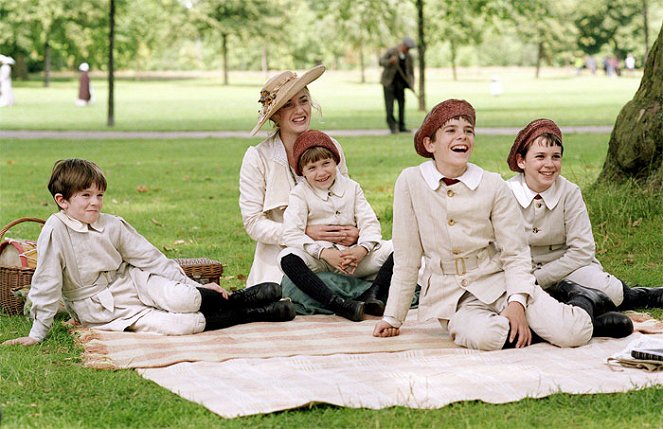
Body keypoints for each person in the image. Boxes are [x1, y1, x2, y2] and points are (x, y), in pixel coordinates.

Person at [373, 99, 624, 351]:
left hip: (499, 282)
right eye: (451, 130)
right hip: (453, 296)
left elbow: (515, 253)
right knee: (488, 337)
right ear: (430, 143)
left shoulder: (493, 185)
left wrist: (516, 303)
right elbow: (406, 258)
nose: (462, 136)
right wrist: (393, 316)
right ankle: (540, 328)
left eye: (468, 130)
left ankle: (585, 301)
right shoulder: (410, 181)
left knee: (574, 333)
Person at [2, 159, 295, 346]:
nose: (95, 203)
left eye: (99, 195)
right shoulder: (55, 230)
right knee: (184, 325)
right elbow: (47, 281)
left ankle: (237, 296)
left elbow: (151, 258)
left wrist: (197, 285)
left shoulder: (112, 225)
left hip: (133, 280)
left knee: (186, 298)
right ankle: (252, 312)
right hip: (101, 307)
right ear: (62, 201)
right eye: (86, 196)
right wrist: (36, 333)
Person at [505, 118, 663, 320]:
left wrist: (539, 279)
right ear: (521, 161)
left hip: (567, 268)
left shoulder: (569, 192)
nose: (549, 164)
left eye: (556, 157)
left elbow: (582, 250)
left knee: (611, 291)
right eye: (540, 156)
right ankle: (585, 307)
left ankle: (637, 296)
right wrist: (524, 279)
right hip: (521, 270)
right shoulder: (505, 194)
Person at [240, 65, 359, 287]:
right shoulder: (257, 157)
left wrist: (354, 231)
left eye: (304, 100)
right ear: (274, 115)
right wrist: (303, 233)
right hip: (282, 259)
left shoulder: (332, 147)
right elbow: (253, 223)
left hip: (336, 253)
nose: (300, 110)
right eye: (288, 105)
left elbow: (349, 202)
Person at [278, 130, 394, 321]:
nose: (321, 172)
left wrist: (361, 250)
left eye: (326, 163)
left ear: (336, 162)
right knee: (287, 257)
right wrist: (324, 253)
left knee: (399, 248)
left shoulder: (352, 187)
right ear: (302, 171)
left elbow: (370, 224)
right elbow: (291, 233)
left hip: (355, 258)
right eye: (312, 167)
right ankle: (338, 304)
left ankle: (373, 295)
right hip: (322, 259)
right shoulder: (300, 193)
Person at [379, 36, 416, 134]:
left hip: (401, 85)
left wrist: (412, 83)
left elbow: (411, 72)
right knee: (389, 106)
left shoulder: (409, 57)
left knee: (401, 106)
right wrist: (390, 62)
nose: (408, 50)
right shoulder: (392, 51)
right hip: (389, 83)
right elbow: (381, 61)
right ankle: (392, 127)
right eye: (407, 48)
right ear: (403, 45)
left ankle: (401, 126)